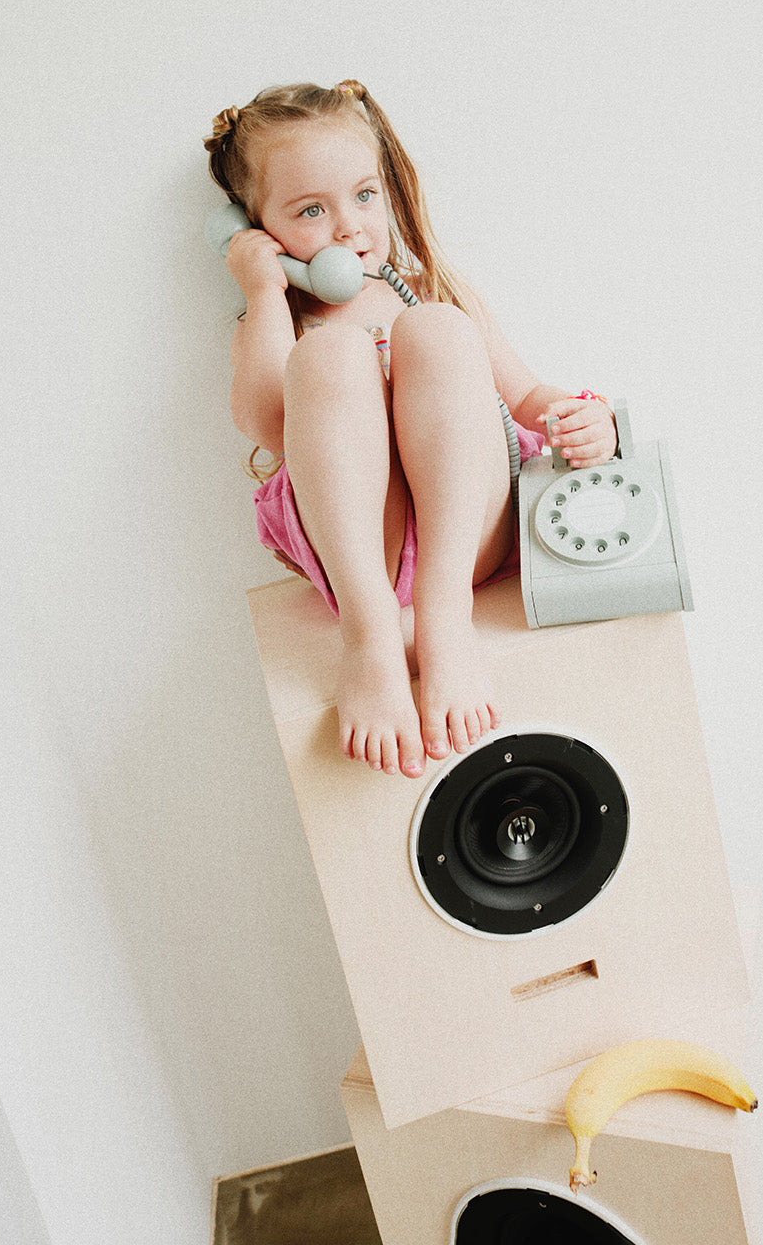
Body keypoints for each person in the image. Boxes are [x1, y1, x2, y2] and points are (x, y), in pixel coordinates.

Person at [204, 81, 616, 780]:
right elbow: (270, 423)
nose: (348, 228)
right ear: (256, 229)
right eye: (311, 210)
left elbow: (525, 395)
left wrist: (587, 416)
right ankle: (369, 637)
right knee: (331, 356)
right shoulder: (276, 322)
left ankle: (445, 620)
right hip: (365, 552)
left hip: (468, 539)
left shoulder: (431, 293)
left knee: (437, 329)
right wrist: (265, 291)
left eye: (364, 196)